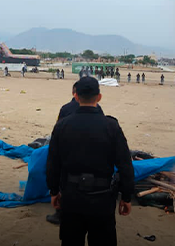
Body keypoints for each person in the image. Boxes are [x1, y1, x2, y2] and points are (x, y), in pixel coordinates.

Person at [46, 77, 134, 246]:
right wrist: (127, 196)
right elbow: (125, 164)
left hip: (71, 198)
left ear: (76, 96)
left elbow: (53, 162)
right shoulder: (111, 126)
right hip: (102, 199)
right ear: (99, 97)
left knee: (71, 241)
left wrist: (53, 191)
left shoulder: (62, 125)